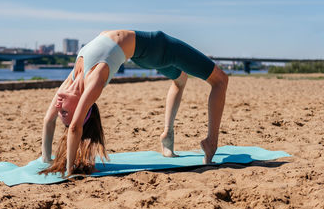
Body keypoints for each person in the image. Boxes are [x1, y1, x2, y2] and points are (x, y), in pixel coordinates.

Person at [39, 30, 228, 176]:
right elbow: (74, 128)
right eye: (64, 112)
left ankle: (167, 135)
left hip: (142, 55)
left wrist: (46, 158)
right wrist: (70, 170)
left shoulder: (73, 79)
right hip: (159, 48)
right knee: (221, 80)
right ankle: (211, 142)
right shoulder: (94, 79)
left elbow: (48, 120)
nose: (58, 107)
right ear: (81, 105)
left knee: (180, 81)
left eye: (61, 112)